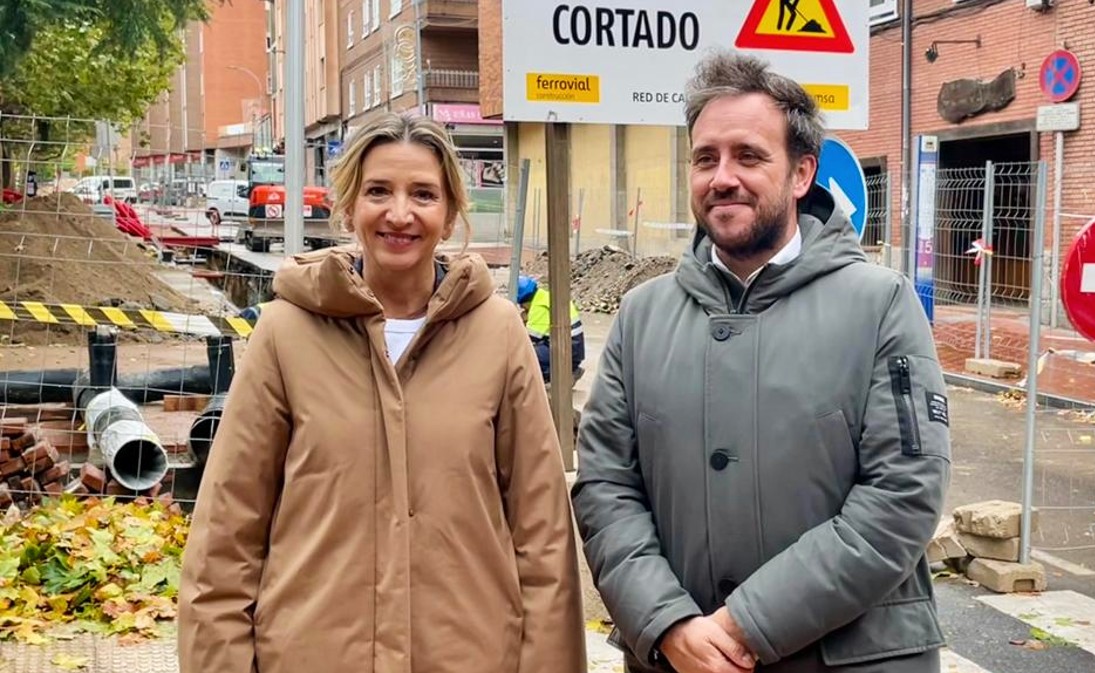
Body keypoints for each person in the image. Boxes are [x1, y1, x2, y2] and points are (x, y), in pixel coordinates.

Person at [571, 50, 951, 673]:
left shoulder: (880, 304)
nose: (723, 177)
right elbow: (607, 488)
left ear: (802, 174)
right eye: (705, 158)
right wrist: (666, 621)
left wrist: (745, 625)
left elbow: (903, 494)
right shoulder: (640, 317)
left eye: (749, 155)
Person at [178, 113, 587, 673]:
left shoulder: (498, 335)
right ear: (348, 207)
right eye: (378, 191)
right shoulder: (285, 334)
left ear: (449, 215)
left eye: (423, 194)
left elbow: (543, 539)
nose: (400, 213)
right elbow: (226, 538)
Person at [515, 274, 585, 384]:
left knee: (526, 355)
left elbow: (529, 339)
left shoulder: (538, 306)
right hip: (573, 347)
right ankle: (568, 371)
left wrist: (520, 323)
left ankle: (561, 376)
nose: (522, 308)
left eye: (521, 305)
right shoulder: (544, 296)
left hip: (568, 349)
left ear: (524, 300)